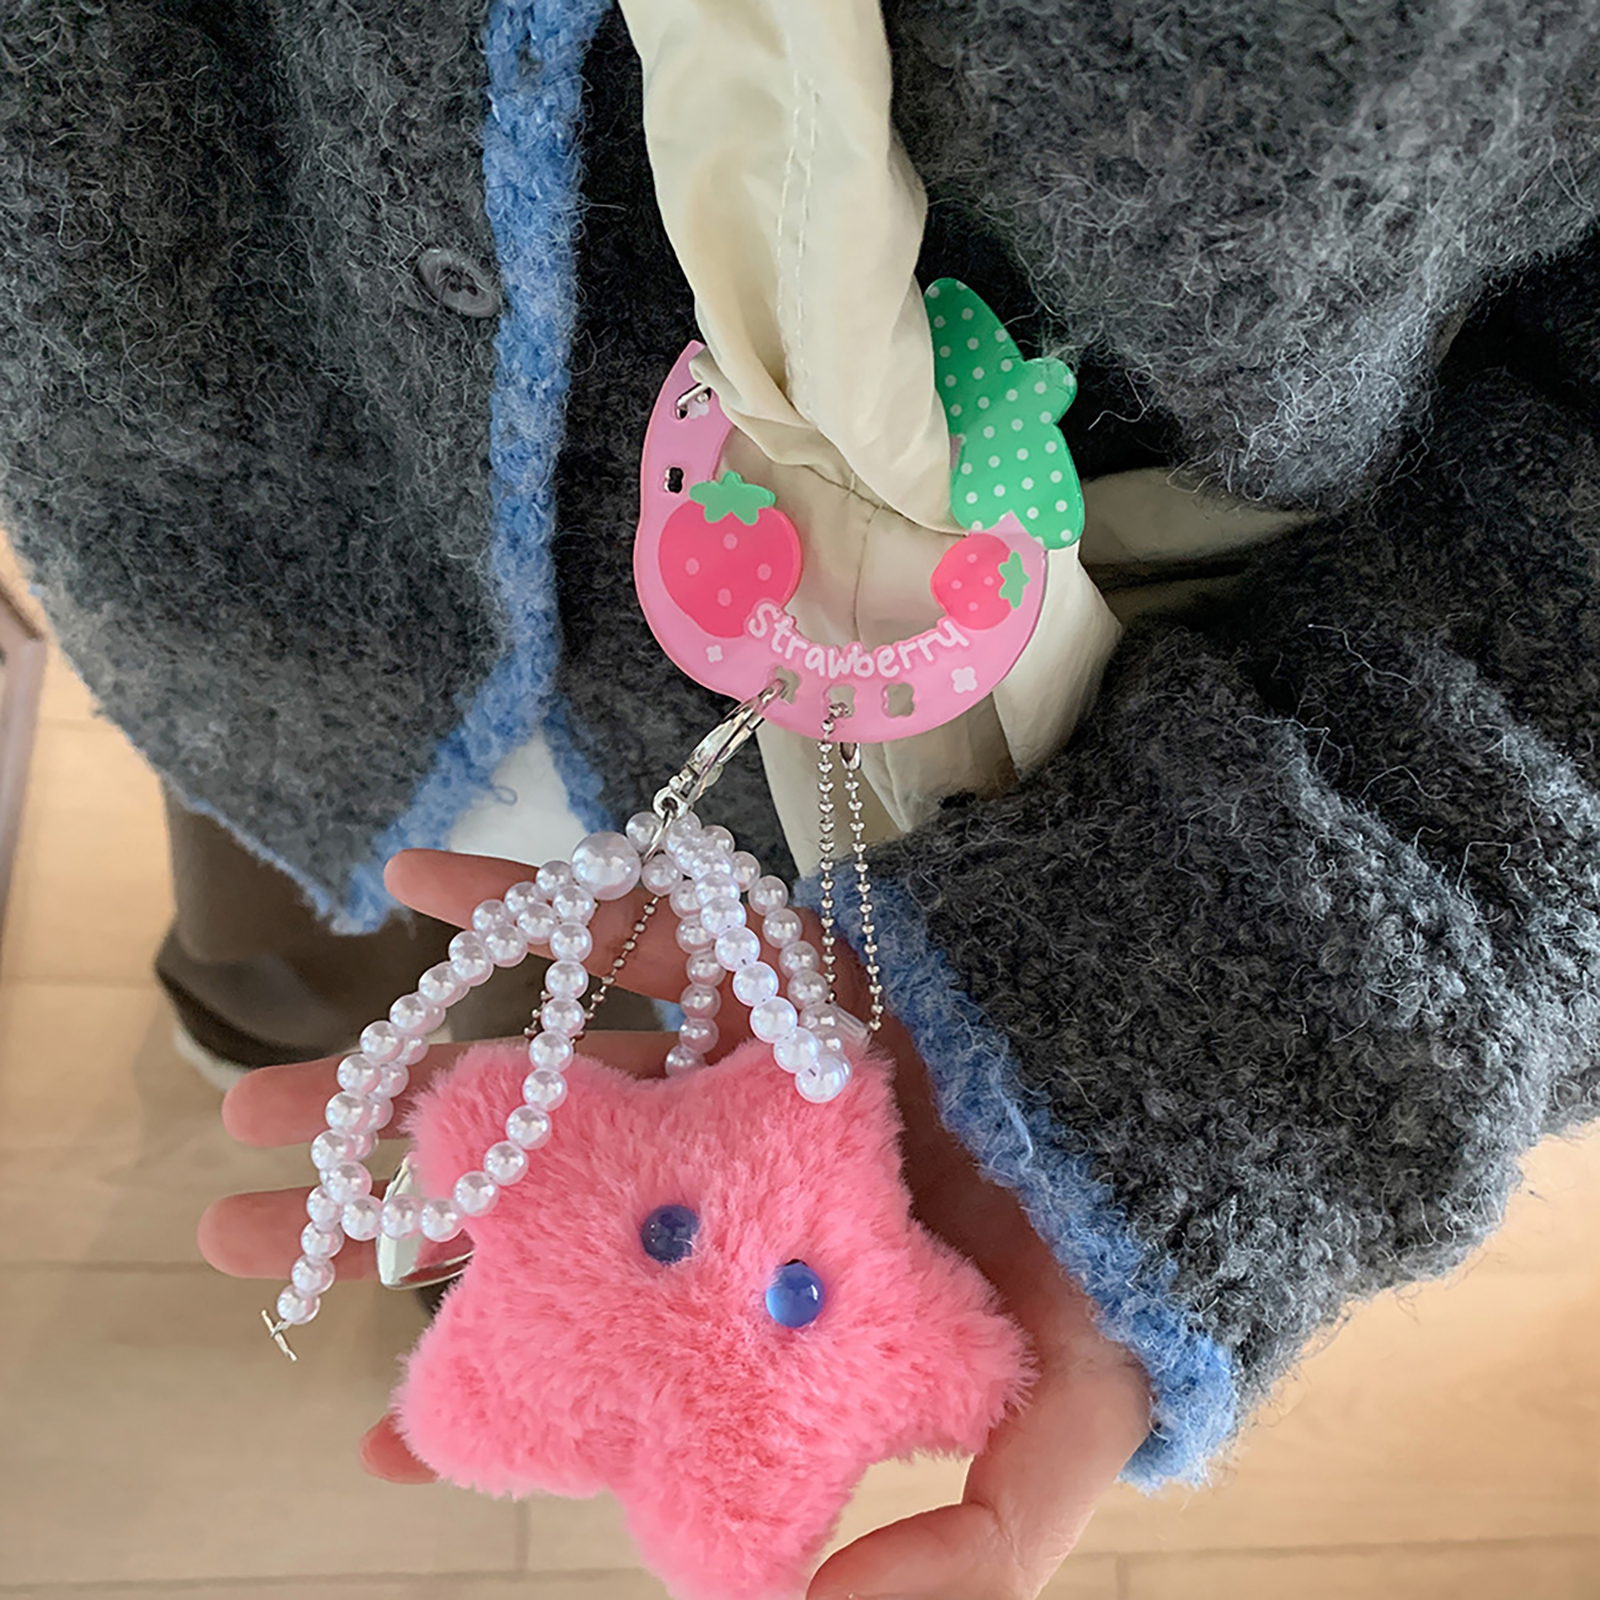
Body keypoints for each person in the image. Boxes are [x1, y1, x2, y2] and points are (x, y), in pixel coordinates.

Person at [6, 3, 1600, 1597]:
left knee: (457, 1099)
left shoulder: (830, 1065)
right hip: (277, 609)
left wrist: (1239, 1014)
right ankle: (291, 1050)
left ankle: (476, 1254)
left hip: (1041, 809)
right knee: (308, 971)